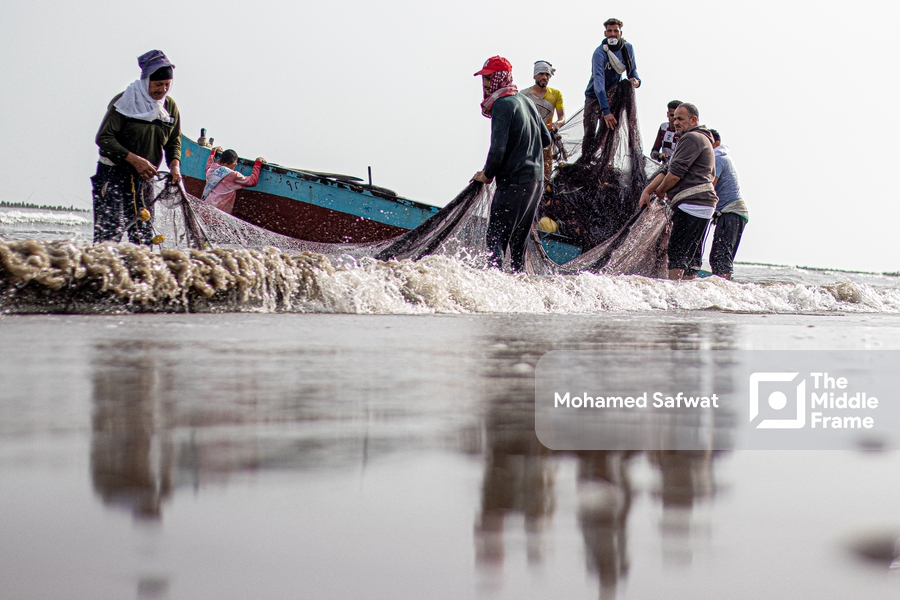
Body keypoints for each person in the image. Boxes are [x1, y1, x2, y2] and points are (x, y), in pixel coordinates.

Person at [471, 56, 552, 272]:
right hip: (535, 182)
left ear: (499, 78)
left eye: (488, 78)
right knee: (518, 245)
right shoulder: (526, 101)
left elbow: (497, 150)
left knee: (495, 239)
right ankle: (519, 292)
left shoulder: (502, 105)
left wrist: (486, 175)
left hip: (515, 182)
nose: (485, 84)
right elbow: (546, 140)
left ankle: (494, 287)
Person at [92, 50, 181, 245]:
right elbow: (104, 138)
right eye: (158, 84)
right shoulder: (124, 102)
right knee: (108, 237)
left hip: (145, 178)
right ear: (146, 80)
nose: (163, 89)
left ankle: (137, 275)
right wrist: (135, 160)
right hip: (114, 175)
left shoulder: (169, 107)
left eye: (167, 84)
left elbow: (174, 140)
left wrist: (175, 164)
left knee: (143, 237)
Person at [639, 103, 717, 281]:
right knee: (690, 259)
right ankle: (685, 300)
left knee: (677, 256)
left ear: (694, 119)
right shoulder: (696, 138)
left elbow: (674, 175)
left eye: (681, 119)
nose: (676, 123)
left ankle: (675, 298)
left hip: (692, 204)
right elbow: (668, 169)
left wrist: (660, 191)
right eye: (674, 119)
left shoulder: (692, 138)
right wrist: (648, 191)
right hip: (701, 205)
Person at [582, 18, 640, 157]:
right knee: (590, 131)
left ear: (620, 33)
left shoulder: (627, 48)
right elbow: (598, 83)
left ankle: (606, 163)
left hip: (614, 94)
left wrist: (636, 81)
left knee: (608, 132)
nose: (612, 34)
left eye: (615, 31)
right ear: (605, 33)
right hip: (595, 95)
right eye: (609, 31)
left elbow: (633, 72)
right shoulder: (599, 53)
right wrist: (606, 110)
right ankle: (586, 159)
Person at [708, 129, 749, 279]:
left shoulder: (718, 159)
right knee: (716, 257)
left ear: (716, 144)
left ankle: (724, 288)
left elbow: (709, 186)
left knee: (721, 256)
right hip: (730, 213)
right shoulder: (720, 158)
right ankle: (721, 286)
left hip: (732, 211)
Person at [520, 61, 565, 181]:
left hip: (546, 140)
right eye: (541, 74)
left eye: (547, 74)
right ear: (535, 76)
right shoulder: (523, 95)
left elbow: (562, 117)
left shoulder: (556, 94)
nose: (544, 77)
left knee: (546, 175)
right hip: (528, 140)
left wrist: (557, 124)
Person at [201, 147, 266, 214]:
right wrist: (258, 163)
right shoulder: (233, 175)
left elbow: (208, 165)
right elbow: (252, 181)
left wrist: (213, 152)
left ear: (219, 161)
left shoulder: (211, 169)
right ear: (233, 165)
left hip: (205, 206)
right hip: (218, 212)